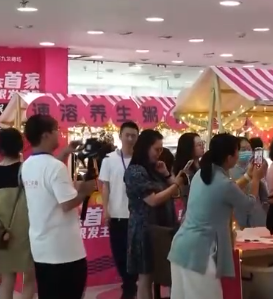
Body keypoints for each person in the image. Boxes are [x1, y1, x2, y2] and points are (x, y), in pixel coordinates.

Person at [168, 133, 264, 299]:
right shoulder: (222, 182)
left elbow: (228, 190)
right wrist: (255, 179)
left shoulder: (202, 174)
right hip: (199, 253)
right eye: (238, 151)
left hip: (181, 248)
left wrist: (248, 176)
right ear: (229, 158)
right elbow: (248, 204)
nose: (240, 155)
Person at [21, 115, 96, 299]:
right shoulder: (55, 167)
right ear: (46, 135)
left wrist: (65, 153)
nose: (59, 134)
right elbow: (67, 203)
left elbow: (48, 173)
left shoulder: (27, 165)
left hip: (41, 247)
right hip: (65, 251)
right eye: (56, 130)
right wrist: (85, 191)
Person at [125, 129, 186, 299]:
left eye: (161, 149)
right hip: (145, 230)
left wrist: (167, 174)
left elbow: (177, 193)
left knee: (163, 273)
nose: (159, 154)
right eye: (156, 149)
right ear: (145, 148)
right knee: (146, 278)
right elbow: (152, 200)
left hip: (162, 227)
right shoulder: (135, 171)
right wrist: (176, 184)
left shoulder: (155, 169)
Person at [0, 128, 34, 299]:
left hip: (1, 231)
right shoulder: (27, 170)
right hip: (27, 229)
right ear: (20, 146)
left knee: (6, 279)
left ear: (0, 148)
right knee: (30, 276)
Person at [99, 121, 140, 299]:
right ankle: (128, 285)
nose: (130, 139)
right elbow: (105, 187)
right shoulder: (109, 160)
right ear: (120, 136)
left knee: (135, 253)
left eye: (133, 136)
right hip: (116, 214)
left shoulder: (141, 159)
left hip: (137, 215)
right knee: (119, 253)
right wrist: (105, 209)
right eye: (127, 135)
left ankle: (130, 287)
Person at [229, 138, 268, 228]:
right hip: (238, 216)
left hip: (256, 215)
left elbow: (263, 193)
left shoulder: (255, 167)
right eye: (243, 149)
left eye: (249, 149)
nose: (247, 152)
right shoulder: (229, 170)